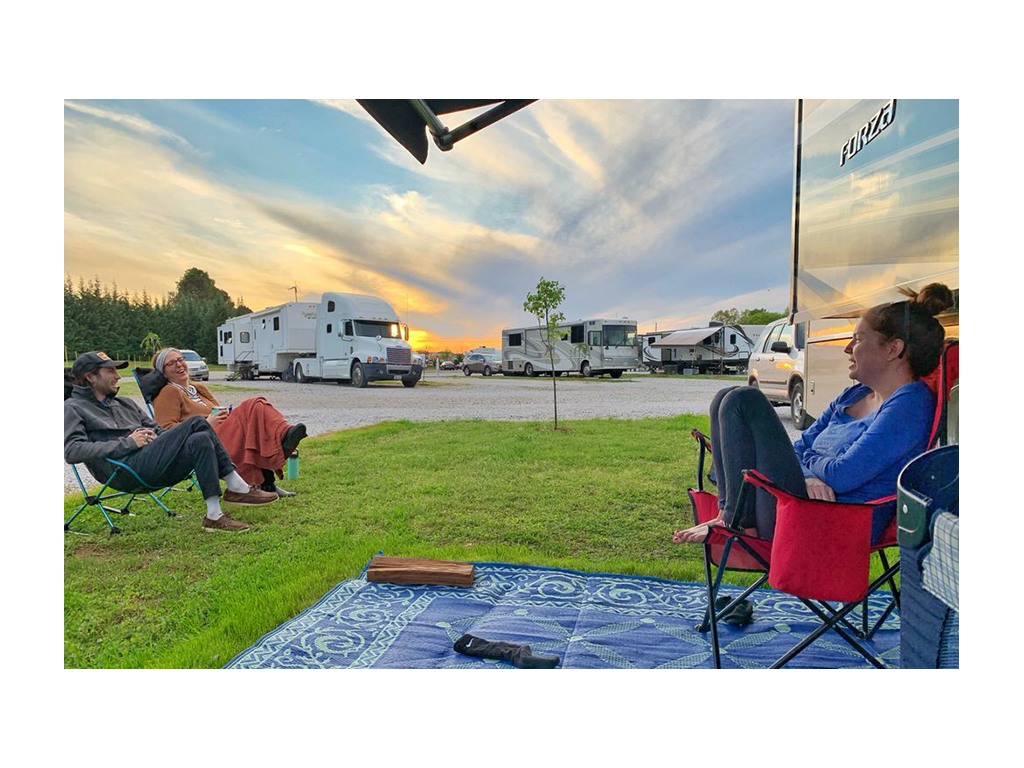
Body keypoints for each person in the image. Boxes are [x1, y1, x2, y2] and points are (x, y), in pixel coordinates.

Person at [673, 283, 955, 546]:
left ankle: (733, 520)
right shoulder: (854, 394)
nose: (847, 347)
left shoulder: (910, 404)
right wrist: (809, 477)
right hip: (798, 502)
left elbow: (842, 475)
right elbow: (800, 448)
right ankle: (730, 514)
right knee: (726, 397)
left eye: (858, 339)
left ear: (893, 349)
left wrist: (810, 464)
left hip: (831, 524)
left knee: (744, 399)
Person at [65, 351, 278, 533]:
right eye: (110, 371)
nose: (117, 376)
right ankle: (237, 486)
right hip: (125, 470)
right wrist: (129, 443)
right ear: (91, 377)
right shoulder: (74, 407)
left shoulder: (125, 403)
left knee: (200, 438)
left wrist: (156, 438)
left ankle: (214, 515)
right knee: (197, 422)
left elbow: (157, 429)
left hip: (151, 461)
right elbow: (72, 451)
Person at [149, 347, 306, 497]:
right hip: (205, 439)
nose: (179, 364)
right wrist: (206, 423)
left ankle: (268, 483)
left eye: (180, 359)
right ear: (163, 373)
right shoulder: (168, 393)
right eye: (171, 363)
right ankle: (283, 439)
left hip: (223, 431)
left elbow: (219, 410)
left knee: (254, 421)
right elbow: (167, 431)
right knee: (254, 404)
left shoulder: (197, 388)